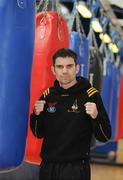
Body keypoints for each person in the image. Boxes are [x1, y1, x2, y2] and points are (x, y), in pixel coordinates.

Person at [30, 48, 112, 180]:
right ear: (53, 70)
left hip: (75, 168)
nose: (64, 71)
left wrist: (96, 116)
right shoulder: (47, 96)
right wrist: (36, 115)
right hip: (48, 166)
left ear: (77, 68)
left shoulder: (90, 95)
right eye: (60, 66)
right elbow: (38, 133)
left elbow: (104, 136)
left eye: (69, 66)